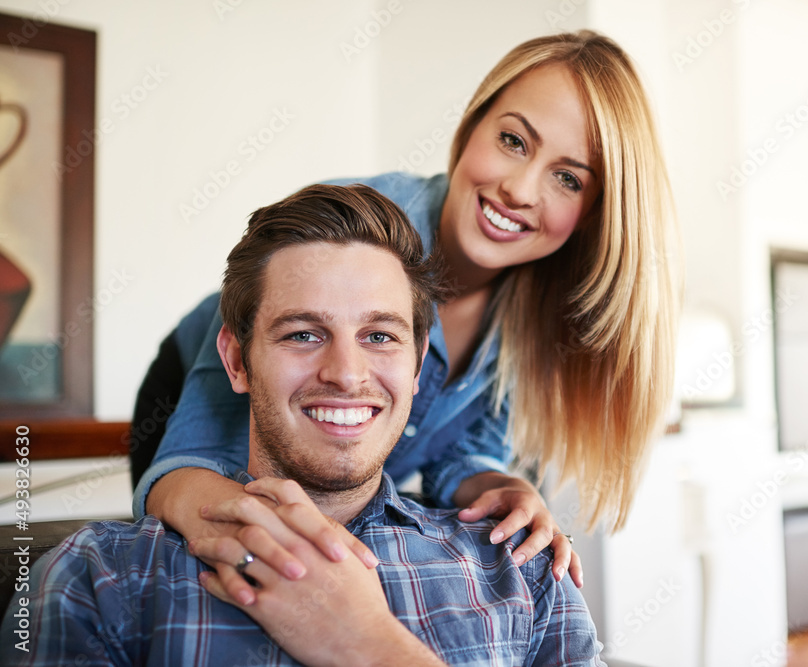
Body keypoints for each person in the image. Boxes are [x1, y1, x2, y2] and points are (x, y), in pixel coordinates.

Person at [133, 29, 682, 604]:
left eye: (568, 178)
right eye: (513, 140)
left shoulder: (542, 313)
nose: (520, 188)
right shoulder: (353, 232)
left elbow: (459, 456)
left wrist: (500, 486)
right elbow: (184, 464)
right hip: (187, 391)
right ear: (472, 127)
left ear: (594, 215)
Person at [2, 184, 604, 667]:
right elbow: (178, 465)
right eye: (303, 334)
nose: (346, 373)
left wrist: (370, 646)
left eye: (379, 336)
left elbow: (470, 452)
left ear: (420, 366)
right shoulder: (99, 580)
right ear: (236, 360)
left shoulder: (524, 572)